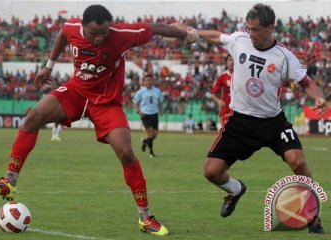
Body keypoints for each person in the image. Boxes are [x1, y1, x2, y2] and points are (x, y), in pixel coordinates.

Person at [0, 4, 199, 236]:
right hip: (76, 92)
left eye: (104, 33)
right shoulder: (72, 27)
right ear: (83, 26)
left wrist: (187, 34)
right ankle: (9, 182)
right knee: (32, 118)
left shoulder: (122, 34)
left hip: (106, 103)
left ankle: (145, 218)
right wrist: (49, 67)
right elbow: (62, 35)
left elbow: (157, 28)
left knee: (126, 153)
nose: (99, 38)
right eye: (94, 34)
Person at [177, 3, 327, 234]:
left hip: (273, 122)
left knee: (298, 162)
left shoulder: (285, 56)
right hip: (239, 122)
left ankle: (313, 216)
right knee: (211, 172)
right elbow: (218, 36)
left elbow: (305, 82)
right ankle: (236, 190)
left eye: (256, 29)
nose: (251, 34)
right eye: (248, 28)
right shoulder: (240, 40)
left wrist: (318, 98)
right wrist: (194, 33)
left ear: (270, 28)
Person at [133, 74, 163, 158]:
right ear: (144, 82)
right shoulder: (140, 92)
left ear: (152, 81)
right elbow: (135, 102)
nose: (149, 82)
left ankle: (145, 141)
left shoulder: (157, 91)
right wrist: (138, 111)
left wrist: (161, 111)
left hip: (155, 114)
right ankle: (151, 153)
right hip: (145, 114)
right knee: (150, 133)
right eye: (147, 80)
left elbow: (161, 102)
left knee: (155, 135)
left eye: (150, 80)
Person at [211, 54, 233, 128]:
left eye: (233, 60)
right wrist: (218, 101)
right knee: (225, 134)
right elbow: (213, 94)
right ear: (226, 62)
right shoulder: (222, 76)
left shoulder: (240, 76)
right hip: (226, 111)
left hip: (238, 111)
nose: (231, 62)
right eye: (229, 60)